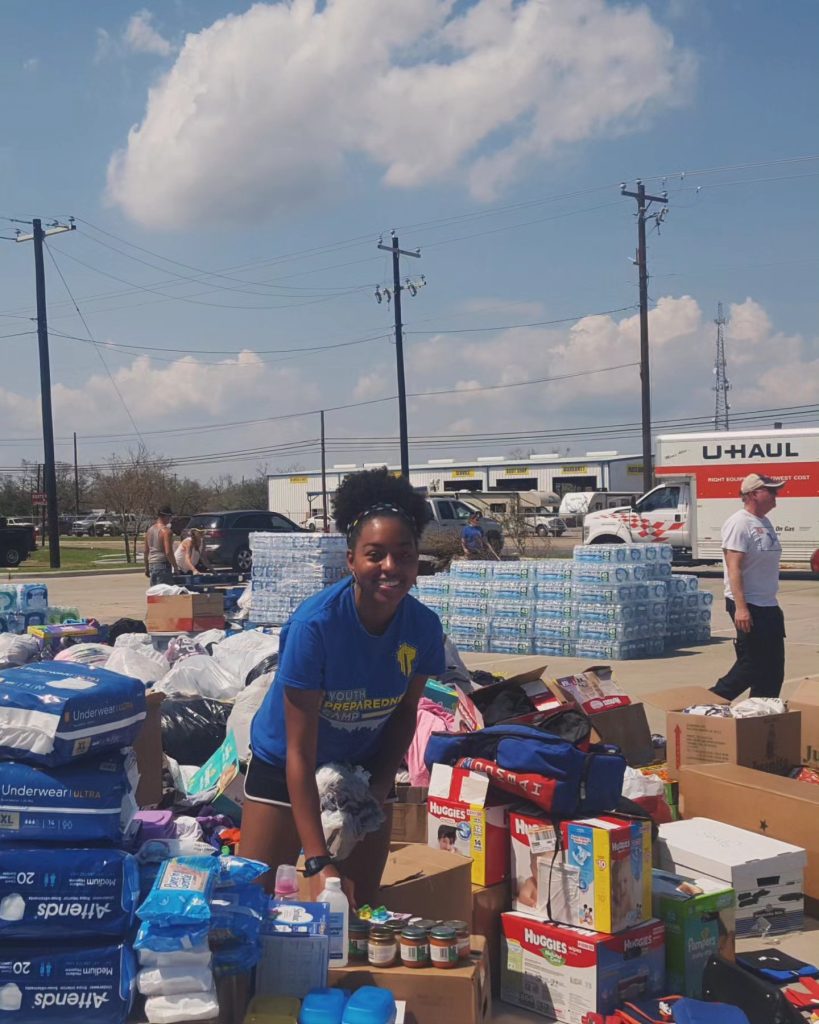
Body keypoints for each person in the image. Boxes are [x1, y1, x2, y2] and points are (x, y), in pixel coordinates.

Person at [240, 468, 446, 905]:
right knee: (254, 906)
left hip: (361, 767)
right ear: (351, 559)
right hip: (286, 764)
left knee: (357, 908)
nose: (390, 567)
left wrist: (374, 792)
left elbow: (405, 712)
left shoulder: (423, 628)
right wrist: (317, 857)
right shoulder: (316, 626)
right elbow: (298, 749)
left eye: (403, 555)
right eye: (375, 555)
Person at [712, 472, 786, 700]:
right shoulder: (739, 523)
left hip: (768, 604)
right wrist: (741, 608)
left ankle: (760, 718)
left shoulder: (764, 521)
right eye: (771, 491)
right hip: (748, 605)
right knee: (751, 666)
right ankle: (702, 709)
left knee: (773, 670)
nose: (776, 496)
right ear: (754, 494)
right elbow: (734, 568)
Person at [143, 505, 179, 585]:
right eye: (170, 516)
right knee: (164, 594)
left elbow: (146, 551)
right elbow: (168, 552)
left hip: (152, 564)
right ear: (166, 516)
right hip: (163, 565)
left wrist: (146, 567)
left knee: (155, 594)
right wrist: (175, 567)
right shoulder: (166, 531)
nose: (170, 519)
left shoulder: (149, 530)